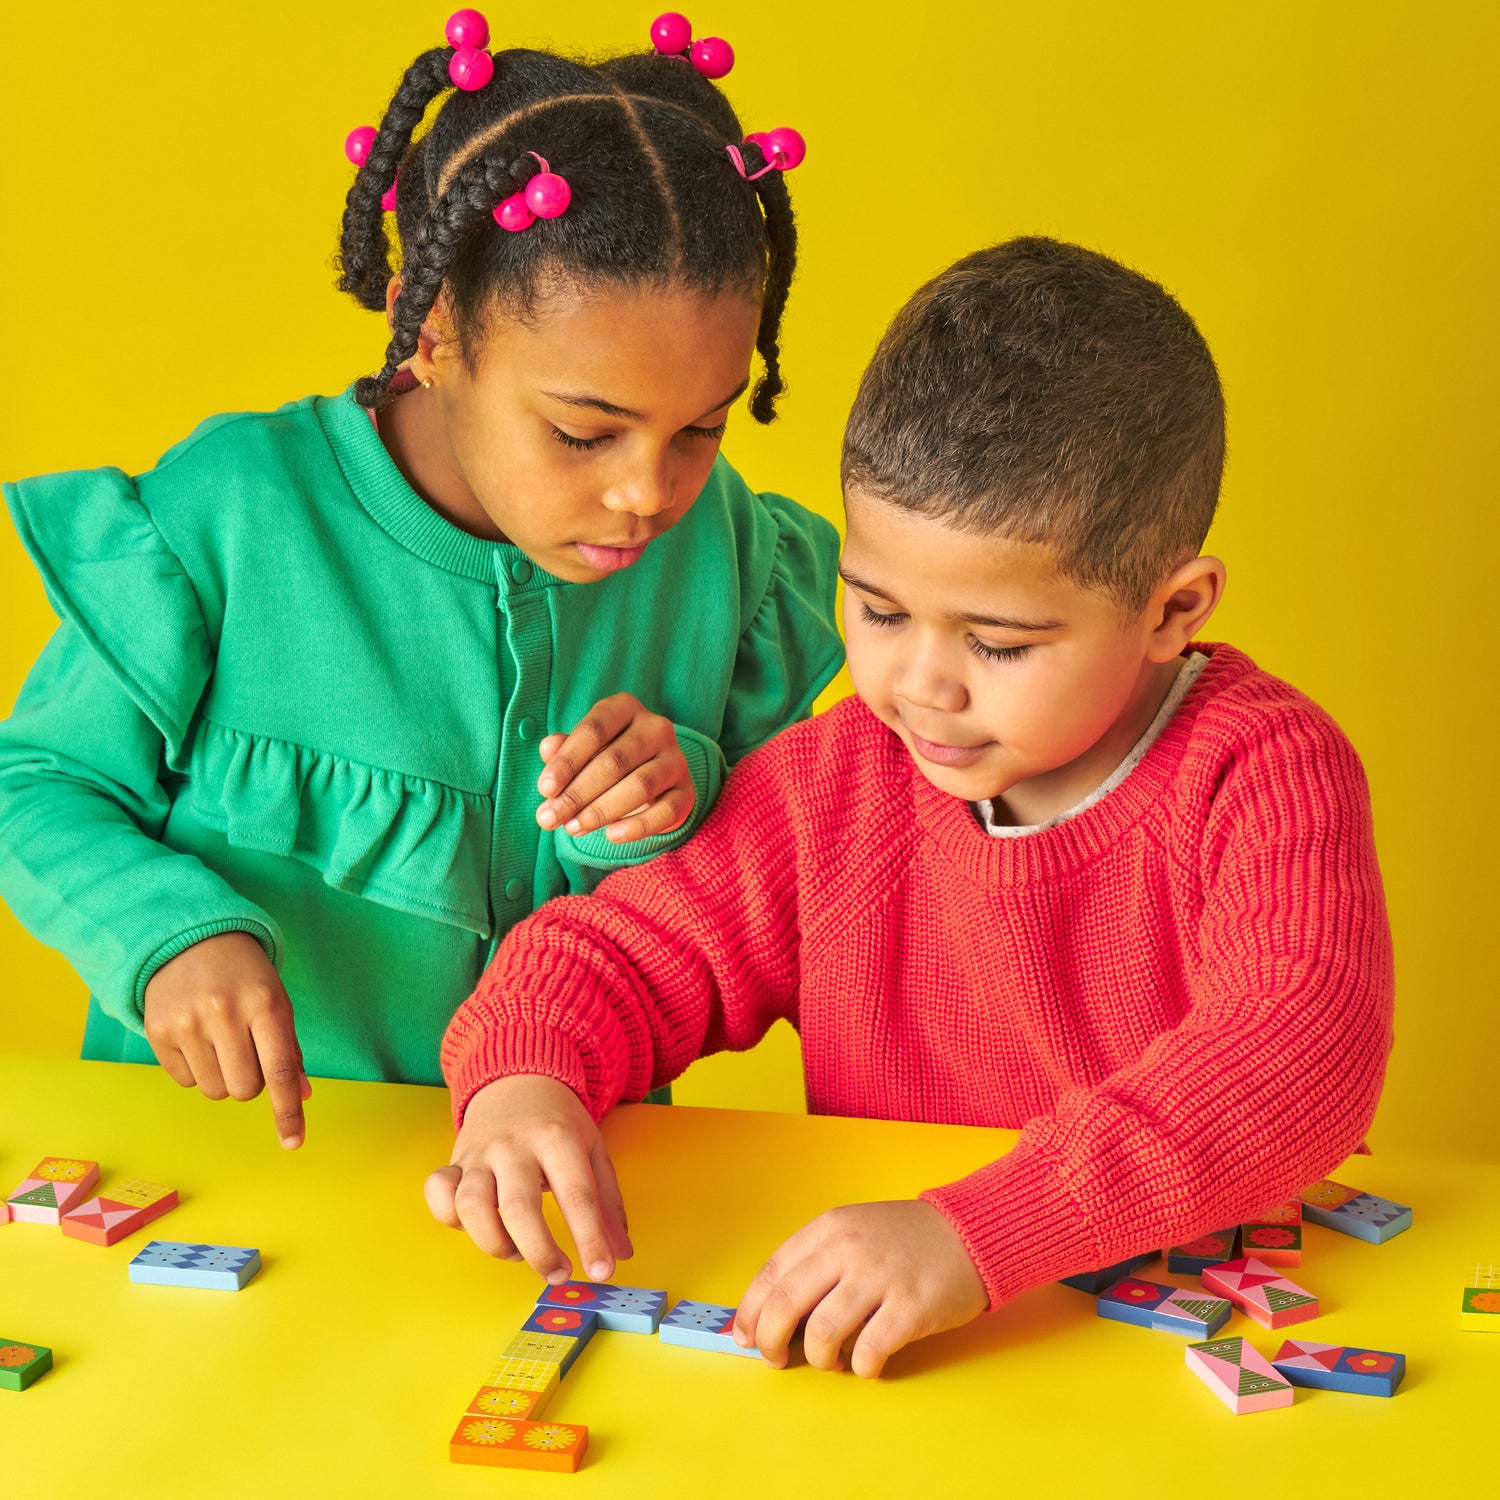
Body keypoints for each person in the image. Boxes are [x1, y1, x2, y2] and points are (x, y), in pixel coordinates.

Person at [428, 236, 1394, 1378]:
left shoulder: (1261, 771)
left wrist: (973, 1234)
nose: (921, 686)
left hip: (1179, 1354)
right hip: (904, 1368)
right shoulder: (840, 781)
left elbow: (1298, 1054)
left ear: (1172, 608)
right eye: (879, 610)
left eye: (997, 641)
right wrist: (522, 1079)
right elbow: (618, 955)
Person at [0, 11, 842, 1149]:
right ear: (433, 333)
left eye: (701, 428)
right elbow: (38, 781)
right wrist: (168, 934)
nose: (651, 492)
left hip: (570, 1191)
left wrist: (673, 795)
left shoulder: (733, 556)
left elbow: (762, 887)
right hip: (228, 1176)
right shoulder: (233, 513)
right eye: (585, 434)